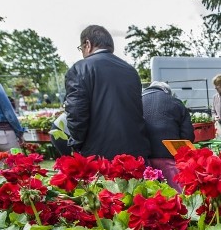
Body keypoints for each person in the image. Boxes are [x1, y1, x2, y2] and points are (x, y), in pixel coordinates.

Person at [64, 25, 150, 160]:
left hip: (100, 155)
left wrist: (76, 144)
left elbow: (76, 113)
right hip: (135, 153)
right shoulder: (131, 70)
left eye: (81, 49)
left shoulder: (80, 68)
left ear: (87, 44)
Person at [142, 81, 194, 192]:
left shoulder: (136, 102)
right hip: (168, 156)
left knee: (150, 195)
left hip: (144, 157)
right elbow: (188, 135)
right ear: (166, 92)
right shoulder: (175, 103)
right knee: (177, 194)